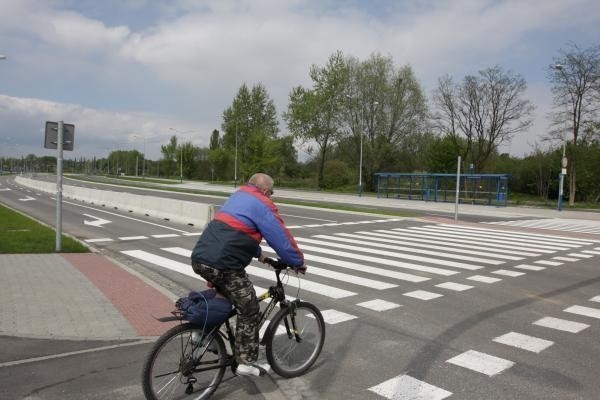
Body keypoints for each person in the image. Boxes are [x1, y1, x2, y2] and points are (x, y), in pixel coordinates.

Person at [190, 173, 305, 377]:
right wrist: (297, 262)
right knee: (249, 306)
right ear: (265, 190)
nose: (272, 196)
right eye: (271, 192)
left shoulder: (238, 196)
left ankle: (201, 333)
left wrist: (260, 255)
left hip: (201, 258)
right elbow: (280, 236)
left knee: (225, 294)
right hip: (223, 263)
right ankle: (246, 361)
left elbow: (235, 231)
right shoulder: (262, 203)